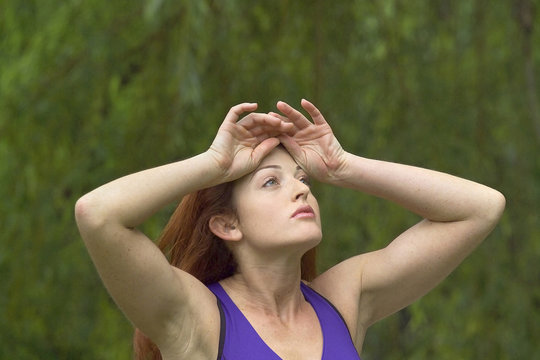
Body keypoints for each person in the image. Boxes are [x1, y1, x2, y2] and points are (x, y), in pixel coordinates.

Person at [75, 99, 505, 360]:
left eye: (303, 180)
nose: (301, 191)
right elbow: (98, 214)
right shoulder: (197, 318)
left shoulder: (342, 301)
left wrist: (343, 166)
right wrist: (214, 165)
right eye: (271, 182)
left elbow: (481, 208)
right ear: (227, 224)